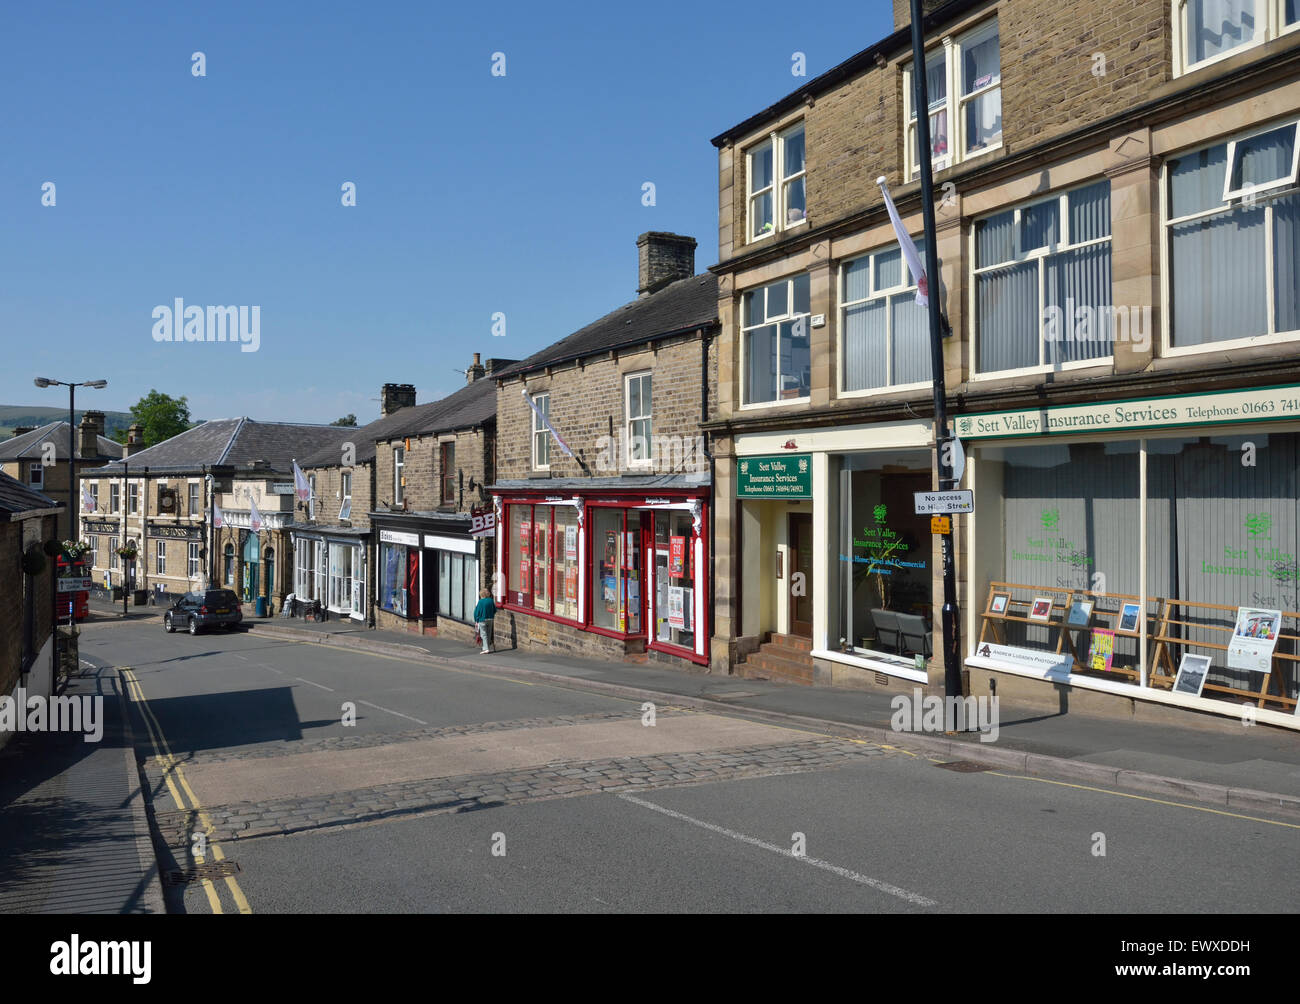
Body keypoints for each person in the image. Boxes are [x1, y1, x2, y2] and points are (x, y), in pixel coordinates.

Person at [473, 588, 497, 654]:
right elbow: (495, 610)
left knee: (483, 634)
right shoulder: (491, 601)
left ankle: (486, 649)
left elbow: (476, 612)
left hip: (482, 620)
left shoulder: (481, 602)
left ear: (481, 594)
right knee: (489, 633)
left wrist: (476, 620)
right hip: (490, 619)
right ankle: (487, 647)